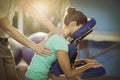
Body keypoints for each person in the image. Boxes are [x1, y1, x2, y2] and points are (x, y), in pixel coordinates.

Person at [25, 7, 102, 80]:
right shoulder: (61, 42)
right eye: (81, 28)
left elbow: (64, 64)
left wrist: (83, 61)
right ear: (73, 24)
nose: (82, 32)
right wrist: (90, 65)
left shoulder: (57, 37)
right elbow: (69, 74)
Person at [0, 0, 63, 80]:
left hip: (5, 42)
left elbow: (32, 9)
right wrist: (34, 46)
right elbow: (8, 28)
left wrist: (52, 28)